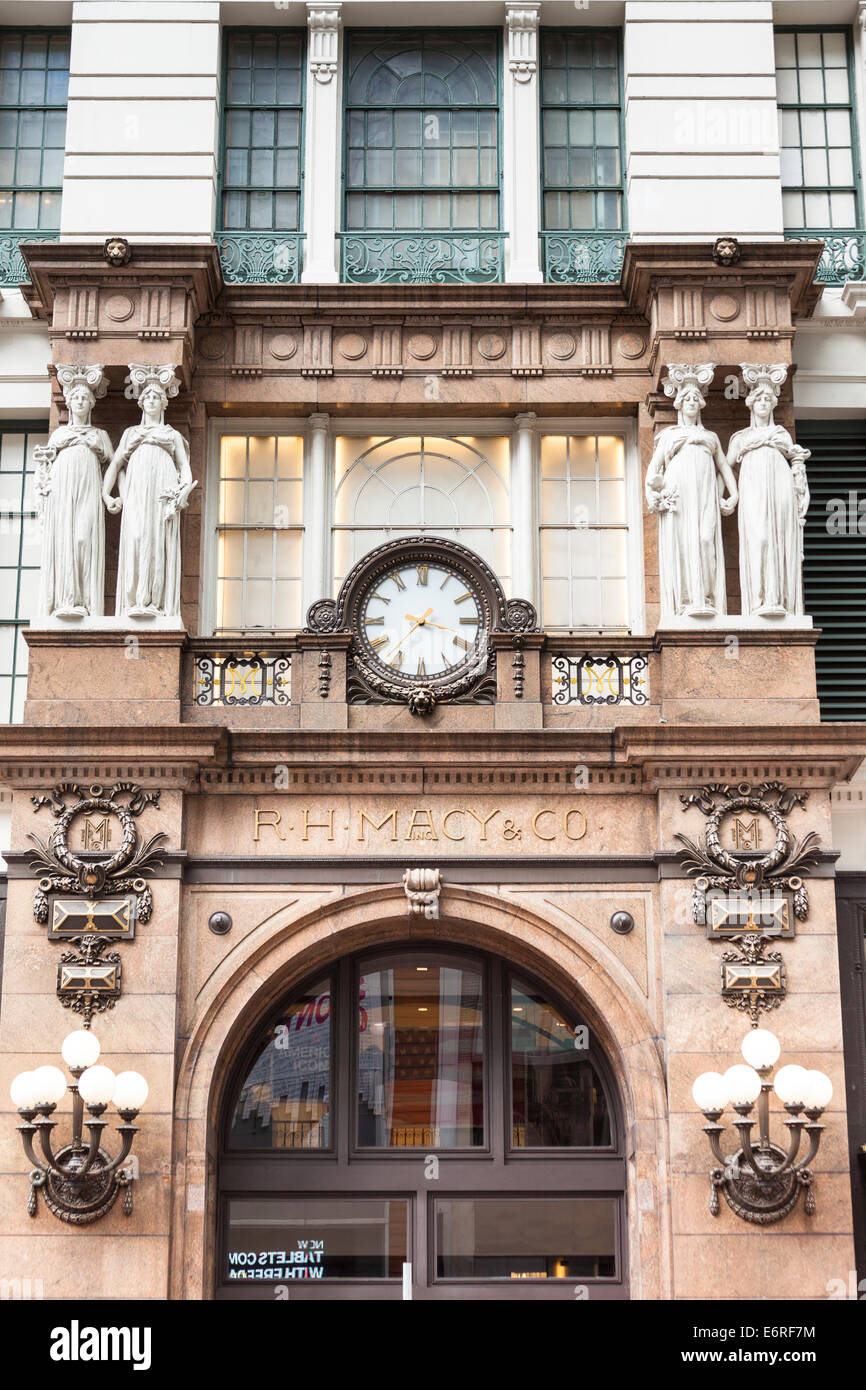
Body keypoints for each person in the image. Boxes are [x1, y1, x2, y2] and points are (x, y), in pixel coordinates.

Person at [645, 364, 738, 619]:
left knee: (706, 539)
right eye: (687, 399)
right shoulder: (669, 436)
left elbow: (724, 466)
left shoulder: (710, 437)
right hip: (680, 494)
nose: (692, 403)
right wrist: (654, 493)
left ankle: (707, 596)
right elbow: (653, 470)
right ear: (680, 405)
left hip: (705, 496)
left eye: (696, 399)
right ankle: (687, 599)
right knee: (685, 544)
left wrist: (733, 494)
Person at [102, 366, 195, 618]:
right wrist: (107, 494)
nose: (152, 400)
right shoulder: (131, 434)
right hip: (136, 490)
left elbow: (184, 468)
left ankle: (152, 600)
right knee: (137, 536)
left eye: (156, 397)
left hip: (161, 489)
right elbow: (115, 465)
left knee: (156, 540)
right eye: (148, 397)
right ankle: (133, 600)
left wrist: (182, 490)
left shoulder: (171, 435)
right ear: (142, 404)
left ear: (163, 404)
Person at [35, 365, 112, 619]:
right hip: (63, 488)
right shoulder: (59, 435)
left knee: (83, 538)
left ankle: (85, 601)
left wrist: (110, 495)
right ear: (68, 403)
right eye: (75, 397)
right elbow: (45, 467)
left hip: (89, 488)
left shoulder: (99, 435)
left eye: (84, 398)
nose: (79, 401)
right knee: (66, 539)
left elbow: (115, 464)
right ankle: (66, 599)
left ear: (91, 403)